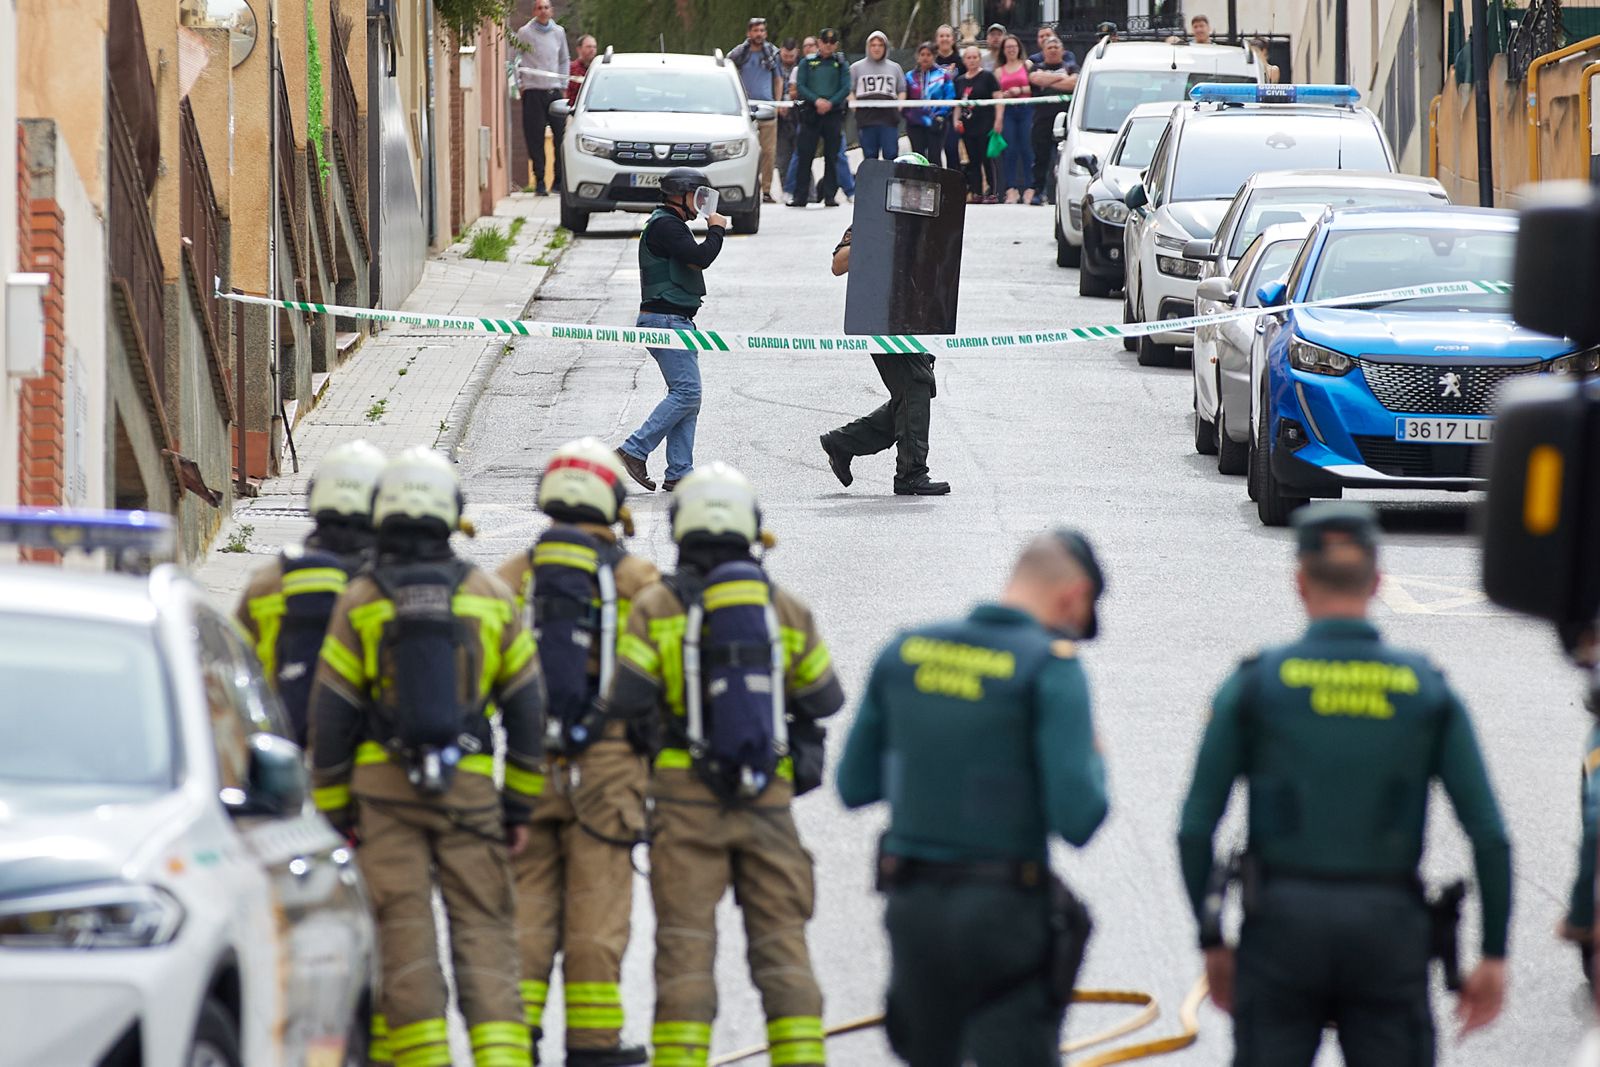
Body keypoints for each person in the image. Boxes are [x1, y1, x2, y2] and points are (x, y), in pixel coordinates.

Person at [1177, 502, 1511, 1066]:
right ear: (1378, 581)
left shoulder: (1256, 686)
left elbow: (1193, 829)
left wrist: (1213, 944)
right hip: (1386, 932)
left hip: (1281, 929)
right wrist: (1494, 955)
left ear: (1299, 582)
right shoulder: (1425, 690)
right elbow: (1489, 835)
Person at [308, 447, 546, 1067]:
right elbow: (526, 712)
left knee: (403, 942)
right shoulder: (491, 597)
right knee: (487, 935)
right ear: (452, 516)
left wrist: (337, 813)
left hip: (383, 800)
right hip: (469, 794)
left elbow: (331, 715)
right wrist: (518, 808)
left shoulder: (361, 598)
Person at [837, 529, 1110, 1067]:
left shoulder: (906, 651)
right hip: (1004, 920)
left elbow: (853, 785)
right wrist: (1093, 756)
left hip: (914, 915)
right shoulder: (1050, 667)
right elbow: (1079, 818)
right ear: (1073, 597)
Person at [607, 462, 847, 1067]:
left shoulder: (657, 606)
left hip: (684, 808)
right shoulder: (781, 608)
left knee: (685, 955)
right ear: (751, 530)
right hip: (767, 803)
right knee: (783, 951)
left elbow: (627, 700)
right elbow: (825, 698)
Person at [498, 439, 657, 1067]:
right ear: (611, 503)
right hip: (608, 768)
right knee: (598, 905)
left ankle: (513, 1040)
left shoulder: (513, 577)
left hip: (532, 761)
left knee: (528, 905)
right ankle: (593, 1046)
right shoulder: (637, 579)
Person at [236, 439, 385, 747]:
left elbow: (233, 669)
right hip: (370, 759)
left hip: (288, 752)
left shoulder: (268, 582)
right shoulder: (391, 585)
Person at [820, 172, 951, 498]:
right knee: (916, 386)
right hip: (882, 321)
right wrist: (876, 234)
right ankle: (910, 473)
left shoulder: (931, 224)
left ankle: (842, 443)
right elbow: (838, 264)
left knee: (914, 393)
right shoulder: (869, 222)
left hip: (915, 323)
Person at [616, 169, 728, 494]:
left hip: (675, 320)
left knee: (688, 396)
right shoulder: (666, 225)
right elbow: (700, 258)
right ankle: (634, 450)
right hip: (665, 321)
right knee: (687, 393)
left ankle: (680, 471)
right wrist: (717, 230)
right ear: (679, 195)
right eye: (697, 195)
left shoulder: (671, 224)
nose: (701, 203)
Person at [786, 36, 857, 202]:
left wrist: (830, 102)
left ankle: (830, 195)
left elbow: (846, 87)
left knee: (832, 156)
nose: (828, 45)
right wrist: (817, 100)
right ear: (819, 43)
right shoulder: (807, 62)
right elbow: (801, 86)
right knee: (804, 155)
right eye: (825, 42)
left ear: (836, 45)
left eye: (832, 42)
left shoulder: (840, 63)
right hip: (811, 112)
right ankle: (800, 196)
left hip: (833, 114)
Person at [515, 0, 570, 196]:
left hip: (554, 90)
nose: (543, 11)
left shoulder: (559, 32)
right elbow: (516, 60)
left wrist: (563, 85)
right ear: (534, 11)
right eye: (539, 8)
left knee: (560, 137)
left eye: (546, 7)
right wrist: (520, 84)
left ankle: (558, 180)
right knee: (535, 137)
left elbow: (564, 59)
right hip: (533, 90)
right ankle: (539, 181)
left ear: (551, 10)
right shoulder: (525, 32)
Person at [730, 17, 783, 204]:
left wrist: (776, 103)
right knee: (744, 151)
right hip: (744, 113)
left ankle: (766, 190)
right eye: (755, 30)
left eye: (762, 30)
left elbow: (778, 79)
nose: (759, 34)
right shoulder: (738, 55)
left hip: (767, 109)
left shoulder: (772, 54)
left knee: (768, 152)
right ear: (748, 33)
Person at [1027, 37, 1077, 205]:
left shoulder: (1071, 67)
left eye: (1057, 46)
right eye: (1050, 47)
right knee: (1041, 158)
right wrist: (1060, 78)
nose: (1054, 49)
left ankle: (1057, 194)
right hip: (1042, 120)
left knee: (1061, 159)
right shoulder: (1037, 67)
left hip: (1064, 121)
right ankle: (1038, 192)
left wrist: (1049, 80)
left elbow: (1074, 83)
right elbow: (1036, 79)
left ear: (1062, 50)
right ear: (1044, 51)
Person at [953, 45, 1002, 203]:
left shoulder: (988, 77)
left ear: (979, 59)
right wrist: (956, 119)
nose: (972, 60)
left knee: (986, 159)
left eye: (975, 57)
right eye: (969, 57)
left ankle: (992, 192)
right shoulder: (960, 81)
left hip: (986, 123)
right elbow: (958, 103)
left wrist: (998, 120)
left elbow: (998, 99)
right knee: (973, 160)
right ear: (964, 60)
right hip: (968, 125)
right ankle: (976, 192)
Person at [851, 31, 906, 161]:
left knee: (891, 154)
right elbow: (849, 91)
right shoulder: (856, 68)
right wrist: (856, 108)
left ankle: (890, 181)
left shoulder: (895, 68)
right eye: (873, 45)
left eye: (880, 45)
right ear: (868, 47)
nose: (876, 48)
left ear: (885, 47)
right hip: (866, 119)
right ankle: (872, 181)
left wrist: (899, 106)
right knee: (870, 157)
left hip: (888, 119)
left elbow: (902, 89)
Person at [994, 35, 1034, 204]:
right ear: (1003, 50)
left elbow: (1034, 86)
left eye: (1014, 46)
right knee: (1010, 151)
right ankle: (1011, 189)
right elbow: (997, 95)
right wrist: (999, 118)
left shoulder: (1028, 65)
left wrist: (1019, 90)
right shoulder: (998, 71)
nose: (1011, 49)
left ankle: (1030, 188)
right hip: (1008, 111)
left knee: (1027, 149)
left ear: (1019, 48)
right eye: (1007, 47)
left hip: (1026, 109)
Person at [904, 43, 956, 161]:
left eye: (928, 54)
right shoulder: (909, 76)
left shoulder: (943, 75)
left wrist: (940, 116)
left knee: (935, 158)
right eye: (922, 54)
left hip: (937, 123)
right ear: (917, 56)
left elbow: (950, 97)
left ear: (934, 56)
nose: (925, 57)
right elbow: (903, 98)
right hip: (915, 124)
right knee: (918, 158)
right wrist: (909, 116)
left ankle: (937, 180)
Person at [932, 25, 964, 169]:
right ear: (936, 39)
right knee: (934, 152)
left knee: (952, 150)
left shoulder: (961, 61)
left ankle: (955, 185)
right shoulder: (931, 60)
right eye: (941, 36)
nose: (944, 39)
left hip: (954, 113)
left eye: (947, 36)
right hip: (934, 112)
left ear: (953, 39)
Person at [776, 37, 803, 199]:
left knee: (801, 154)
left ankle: (807, 192)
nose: (788, 59)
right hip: (779, 117)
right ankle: (786, 190)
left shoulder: (802, 66)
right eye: (785, 56)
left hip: (797, 116)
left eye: (791, 56)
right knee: (782, 156)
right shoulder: (773, 65)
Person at [567, 34, 596, 107]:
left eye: (594, 47)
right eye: (588, 47)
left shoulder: (597, 71)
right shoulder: (571, 69)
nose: (592, 50)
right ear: (579, 49)